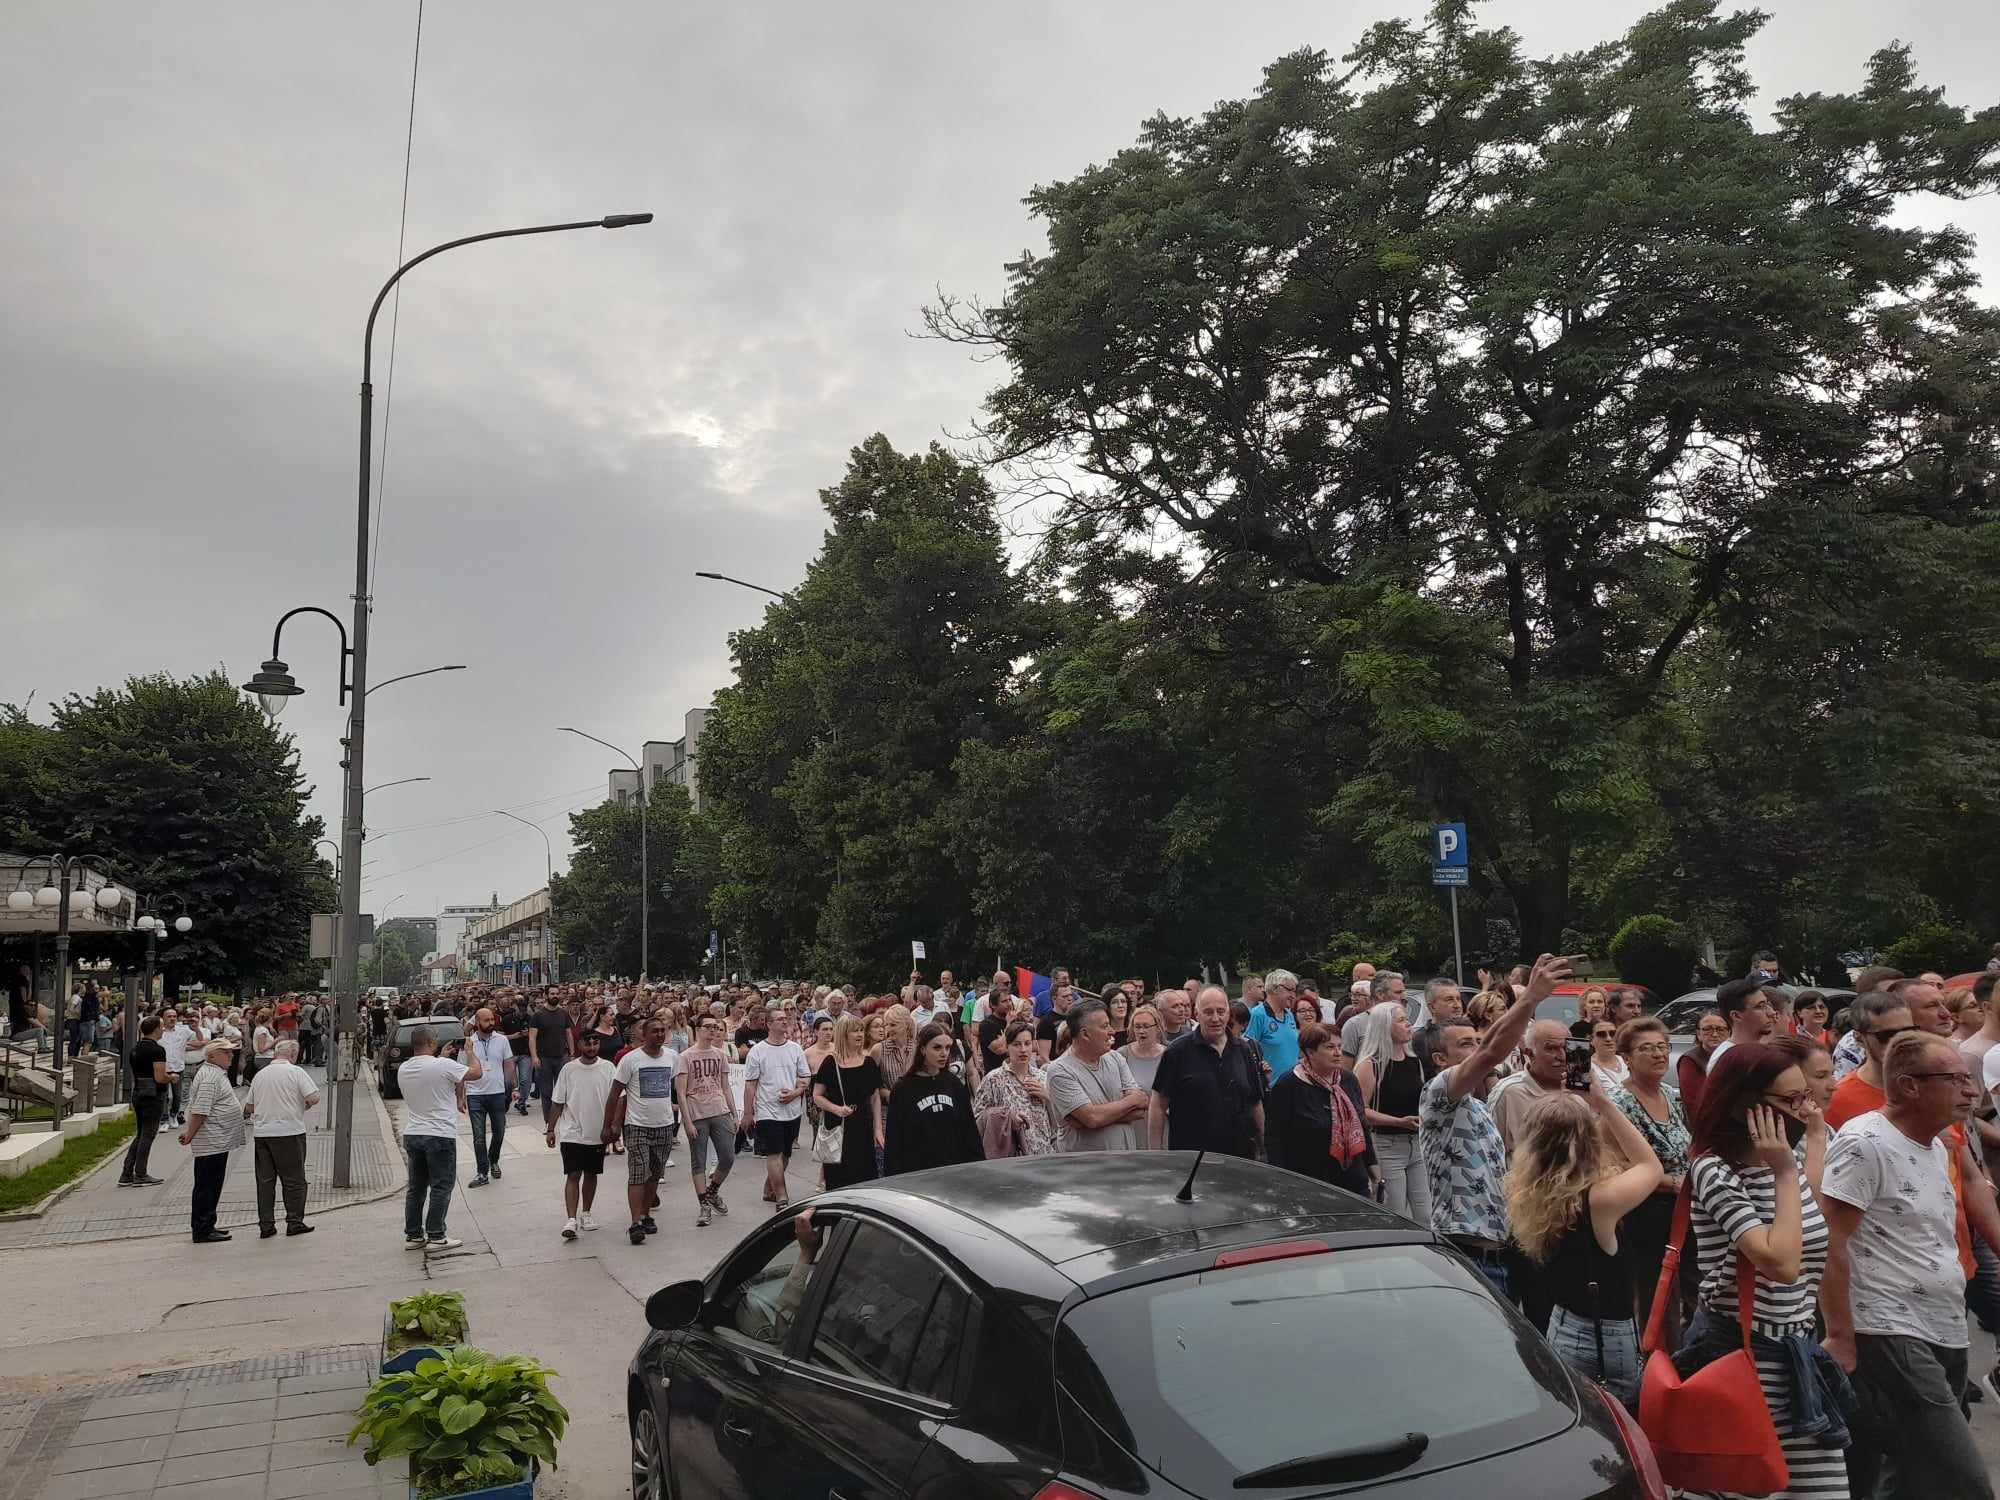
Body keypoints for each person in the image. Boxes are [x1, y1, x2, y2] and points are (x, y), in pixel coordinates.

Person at [1822, 1031, 1991, 1499]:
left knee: (1910, 1472)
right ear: (1910, 1085)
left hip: (1944, 1322)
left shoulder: (1937, 1144)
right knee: (1963, 1480)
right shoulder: (1864, 1143)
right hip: (1889, 1326)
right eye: (1954, 1079)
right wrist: (1841, 1335)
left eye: (1967, 1078)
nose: (1970, 1089)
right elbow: (1829, 1242)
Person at [1677, 1045, 1849, 1500]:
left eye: (1805, 1096)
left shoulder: (1780, 1166)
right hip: (1745, 1358)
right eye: (1790, 1101)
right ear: (1742, 1106)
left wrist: (1812, 1136)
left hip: (1797, 1355)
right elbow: (1781, 1262)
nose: (1803, 1108)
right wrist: (1785, 1172)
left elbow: (1805, 1217)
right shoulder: (1715, 1171)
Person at [1419, 953, 1572, 1300]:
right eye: (1464, 1045)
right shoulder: (1438, 1094)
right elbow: (1491, 1052)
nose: (1475, 1049)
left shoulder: (1476, 1105)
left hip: (1501, 1250)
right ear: (1440, 1060)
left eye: (1475, 1041)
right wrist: (1530, 998)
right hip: (1468, 1255)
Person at [1505, 1085, 1661, 1408]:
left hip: (1561, 1325)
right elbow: (1651, 1167)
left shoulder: (1529, 1193)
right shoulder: (1599, 1201)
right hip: (1605, 1337)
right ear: (1589, 1140)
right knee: (1619, 1428)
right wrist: (1606, 1104)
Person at [1609, 1016, 1691, 1325]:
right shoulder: (1619, 1103)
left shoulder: (1670, 1095)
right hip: (1645, 1213)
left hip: (1685, 1208)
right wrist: (1669, 1183)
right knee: (1655, 1294)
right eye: (1647, 1048)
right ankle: (1653, 1358)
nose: (1658, 1054)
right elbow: (1615, 1163)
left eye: (1662, 1047)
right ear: (1627, 1057)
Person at [1147, 985, 1264, 1158]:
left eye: (1221, 1011)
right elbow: (1158, 1105)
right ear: (1196, 1014)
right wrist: (1155, 1156)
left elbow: (1255, 1103)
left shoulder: (1243, 1050)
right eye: (1208, 1012)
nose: (1215, 1018)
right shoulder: (1177, 1052)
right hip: (1192, 1159)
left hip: (1240, 1158)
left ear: (1228, 1013)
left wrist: (1262, 1147)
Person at [1266, 1023, 1379, 1197]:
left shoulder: (1348, 1080)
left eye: (1340, 1047)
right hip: (1311, 1184)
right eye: (1330, 1047)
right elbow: (1275, 1138)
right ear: (1310, 1052)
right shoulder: (1288, 1085)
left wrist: (1374, 1171)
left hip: (1354, 1180)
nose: (1337, 1053)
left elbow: (1362, 1125)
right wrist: (1281, 1183)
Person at [397, 1024, 480, 1250]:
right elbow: (476, 1073)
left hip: (414, 1132)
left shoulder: (404, 1068)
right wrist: (470, 1053)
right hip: (439, 1134)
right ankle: (436, 1235)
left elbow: (430, 1078)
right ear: (432, 1043)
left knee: (416, 1187)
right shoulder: (443, 1065)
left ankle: (414, 1235)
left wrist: (441, 1058)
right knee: (441, 1186)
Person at [1352, 1001, 1428, 1221]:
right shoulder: (1370, 1064)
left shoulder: (1414, 1061)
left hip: (1417, 1144)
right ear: (1384, 1026)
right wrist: (1397, 1121)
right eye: (1402, 1020)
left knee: (1425, 1214)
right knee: (1396, 1212)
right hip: (1386, 1145)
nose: (1409, 1025)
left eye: (1407, 1019)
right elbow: (1361, 1110)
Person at [607, 1015, 679, 1244]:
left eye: (662, 1031)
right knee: (638, 1173)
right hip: (636, 1125)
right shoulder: (630, 1060)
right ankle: (635, 1222)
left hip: (665, 1124)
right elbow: (615, 1093)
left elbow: (678, 1087)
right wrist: (611, 1125)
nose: (659, 1034)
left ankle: (647, 1214)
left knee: (655, 1174)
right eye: (654, 1031)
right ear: (643, 1035)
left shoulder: (672, 1057)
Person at [1045, 999, 1148, 1152]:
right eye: (1105, 1026)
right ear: (1085, 1034)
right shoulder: (1060, 1070)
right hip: (1087, 1169)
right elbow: (1092, 1118)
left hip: (1126, 1162)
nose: (1112, 1031)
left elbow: (1140, 1109)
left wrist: (1095, 1117)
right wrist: (1130, 1101)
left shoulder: (1116, 1058)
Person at [242, 1038, 319, 1238]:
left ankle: (266, 1225)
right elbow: (313, 1097)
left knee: (265, 1181)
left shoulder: (260, 1075)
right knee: (293, 1180)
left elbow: (249, 1107)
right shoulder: (296, 1072)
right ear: (293, 1054)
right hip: (289, 1131)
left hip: (263, 1134)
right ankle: (294, 1221)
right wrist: (302, 1105)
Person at [884, 1022, 984, 1172]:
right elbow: (894, 1140)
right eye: (937, 1047)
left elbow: (969, 1131)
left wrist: (978, 1166)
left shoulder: (954, 1084)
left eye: (948, 1048)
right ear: (923, 1049)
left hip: (954, 1169)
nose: (944, 1053)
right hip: (918, 1173)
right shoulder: (903, 1089)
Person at [742, 1007, 813, 1211]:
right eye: (779, 1019)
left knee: (785, 1155)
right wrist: (748, 1113)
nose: (784, 1021)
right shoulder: (757, 1051)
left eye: (786, 1018)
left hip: (792, 1111)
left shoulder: (795, 1048)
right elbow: (750, 1084)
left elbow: (805, 1078)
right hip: (767, 1111)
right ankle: (782, 1197)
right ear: (769, 1024)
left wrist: (795, 1093)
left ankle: (768, 1187)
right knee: (774, 1153)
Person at [545, 1030, 613, 1241]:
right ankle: (571, 1219)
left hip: (598, 1132)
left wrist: (614, 1127)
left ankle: (586, 1213)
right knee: (573, 1174)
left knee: (591, 1174)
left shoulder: (608, 1068)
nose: (592, 1047)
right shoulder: (569, 1069)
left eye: (595, 1043)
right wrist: (550, 1128)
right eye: (587, 1043)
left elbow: (617, 1099)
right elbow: (558, 1101)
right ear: (579, 1045)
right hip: (572, 1131)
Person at [178, 1037, 245, 1243]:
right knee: (207, 1185)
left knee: (213, 1184)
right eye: (227, 1052)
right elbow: (200, 1110)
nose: (231, 1056)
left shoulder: (215, 1073)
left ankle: (208, 1223)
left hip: (218, 1140)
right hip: (211, 1140)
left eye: (232, 1052)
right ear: (212, 1055)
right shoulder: (210, 1077)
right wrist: (189, 1134)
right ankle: (202, 1228)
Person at [674, 1015, 738, 1227]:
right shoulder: (685, 1056)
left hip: (719, 1109)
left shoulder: (720, 1055)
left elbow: (726, 1086)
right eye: (708, 1027)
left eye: (716, 1027)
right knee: (698, 1161)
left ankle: (712, 1191)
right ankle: (704, 1205)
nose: (713, 1030)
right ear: (698, 1029)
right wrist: (687, 1121)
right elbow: (681, 1093)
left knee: (727, 1157)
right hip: (697, 1112)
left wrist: (733, 1112)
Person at [813, 1015, 885, 1186]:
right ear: (844, 1034)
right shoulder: (831, 1062)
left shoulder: (868, 1063)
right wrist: (836, 1109)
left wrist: (878, 1129)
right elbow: (817, 1096)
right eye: (854, 1031)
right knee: (838, 1177)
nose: (859, 1034)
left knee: (865, 1175)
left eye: (861, 1030)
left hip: (863, 1126)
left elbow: (875, 1098)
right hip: (837, 1127)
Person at [971, 1020, 1059, 1158]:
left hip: (1045, 1154)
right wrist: (1007, 1118)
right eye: (1016, 1044)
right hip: (1010, 1158)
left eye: (1027, 1044)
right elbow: (977, 1121)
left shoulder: (1043, 1077)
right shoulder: (993, 1079)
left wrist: (1047, 1097)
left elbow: (1059, 1122)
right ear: (1007, 1046)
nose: (1023, 1049)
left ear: (1033, 1045)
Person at [1489, 1018, 1567, 1156]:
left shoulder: (1585, 1090)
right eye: (1551, 1048)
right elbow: (1491, 1151)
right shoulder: (1509, 1092)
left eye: (1566, 1047)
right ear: (1529, 1054)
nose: (1562, 1056)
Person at [463, 1007, 515, 1188]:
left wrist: (510, 1087)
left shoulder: (501, 1040)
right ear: (477, 1023)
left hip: (497, 1093)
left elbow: (508, 1064)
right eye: (486, 1020)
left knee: (499, 1132)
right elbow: (461, 1071)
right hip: (475, 1095)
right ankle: (482, 1172)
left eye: (492, 1020)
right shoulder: (469, 1043)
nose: (491, 1023)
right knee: (478, 1136)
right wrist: (459, 1097)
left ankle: (494, 1160)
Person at [118, 1015, 170, 1187]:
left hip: (139, 1091)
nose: (163, 1029)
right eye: (161, 1027)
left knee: (140, 1133)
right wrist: (173, 1078)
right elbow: (160, 1077)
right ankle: (140, 1174)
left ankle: (127, 1173)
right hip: (153, 1095)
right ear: (155, 1029)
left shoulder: (136, 1048)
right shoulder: (157, 1050)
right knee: (148, 1135)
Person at [1244, 969, 1303, 1085]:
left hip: (1294, 1085)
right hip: (1272, 1088)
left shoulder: (1289, 1014)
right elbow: (1248, 1049)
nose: (1293, 995)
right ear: (1275, 989)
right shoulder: (1258, 1014)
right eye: (1290, 990)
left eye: (1294, 991)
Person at [527, 991, 571, 1127]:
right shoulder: (538, 1015)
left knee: (564, 1090)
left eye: (557, 993)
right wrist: (534, 1056)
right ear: (546, 996)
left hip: (561, 1057)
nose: (555, 995)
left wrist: (572, 1053)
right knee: (546, 1092)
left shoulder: (563, 1013)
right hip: (544, 1058)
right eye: (552, 993)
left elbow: (568, 1033)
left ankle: (564, 1118)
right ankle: (548, 1121)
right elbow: (532, 1037)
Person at [1678, 1010, 1728, 1119]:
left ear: (1729, 1033)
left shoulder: (1734, 1055)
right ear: (1698, 1034)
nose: (1714, 1034)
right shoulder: (1690, 1060)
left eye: (1721, 1029)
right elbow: (1695, 1102)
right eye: (1707, 1029)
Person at [1120, 1003, 1168, 1094]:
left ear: (1157, 1028)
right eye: (1137, 1027)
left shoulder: (1169, 1054)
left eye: (1146, 1026)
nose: (1141, 1031)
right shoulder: (1122, 1054)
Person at [1587, 1016, 1628, 1092]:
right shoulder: (1587, 1068)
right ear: (1591, 1040)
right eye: (1601, 1034)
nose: (1608, 1038)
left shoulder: (1628, 1061)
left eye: (1613, 1033)